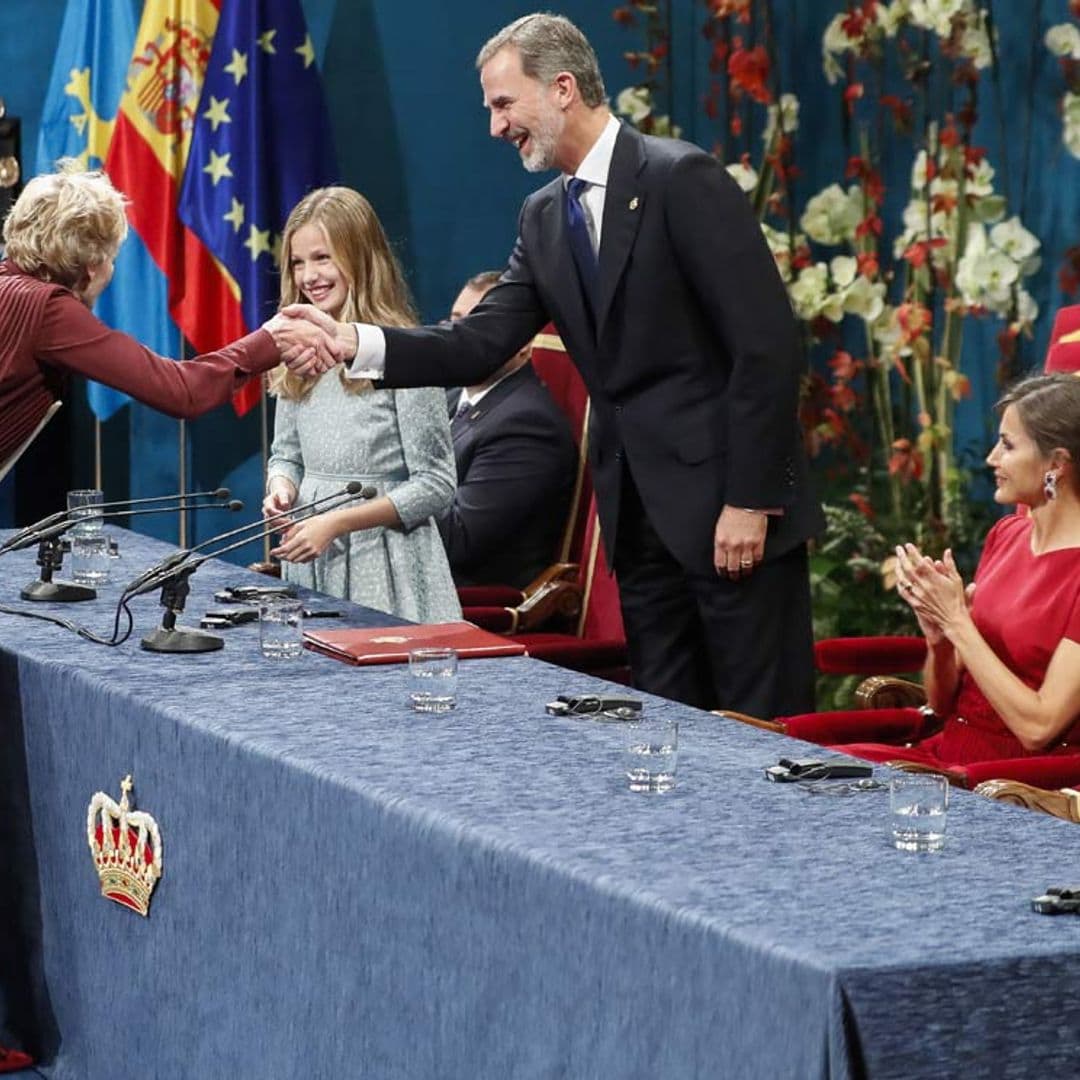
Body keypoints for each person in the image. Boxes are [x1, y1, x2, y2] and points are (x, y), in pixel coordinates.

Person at [280, 13, 822, 715]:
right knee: (666, 729)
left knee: (760, 731)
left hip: (729, 517)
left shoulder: (679, 178)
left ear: (563, 87)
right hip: (638, 524)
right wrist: (358, 343)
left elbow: (768, 346)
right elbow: (477, 344)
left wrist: (751, 501)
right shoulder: (543, 217)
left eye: (504, 105)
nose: (496, 127)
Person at [0, 161, 338, 469]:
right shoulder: (48, 310)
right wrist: (272, 338)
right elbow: (182, 391)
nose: (111, 268)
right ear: (90, 264)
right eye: (111, 257)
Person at [845, 374, 1080, 766]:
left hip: (1012, 783)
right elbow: (940, 704)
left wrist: (957, 622)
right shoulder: (1005, 535)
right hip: (947, 755)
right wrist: (939, 638)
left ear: (1056, 464)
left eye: (1007, 445)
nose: (992, 458)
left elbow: (1039, 728)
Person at [263, 187, 460, 623]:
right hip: (312, 555)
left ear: (360, 257)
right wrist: (282, 488)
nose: (309, 276)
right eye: (298, 262)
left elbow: (436, 484)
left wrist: (337, 522)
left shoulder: (404, 353)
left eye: (323, 257)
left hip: (386, 564)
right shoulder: (298, 353)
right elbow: (287, 454)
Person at [439, 270, 576, 589]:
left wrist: (386, 489)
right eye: (453, 321)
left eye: (475, 325)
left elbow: (459, 541)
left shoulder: (528, 424)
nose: (458, 336)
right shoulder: (445, 398)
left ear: (522, 345)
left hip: (468, 604)